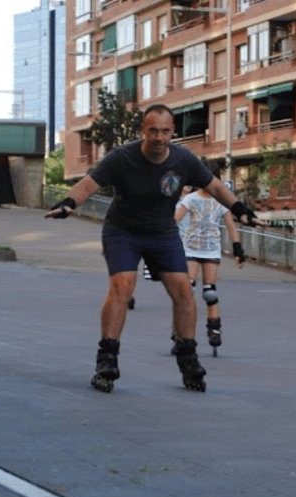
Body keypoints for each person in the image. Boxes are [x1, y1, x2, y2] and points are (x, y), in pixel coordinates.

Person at [45, 104, 265, 393]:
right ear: (143, 131)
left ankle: (187, 357)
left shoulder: (184, 159)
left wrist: (240, 209)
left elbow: (215, 187)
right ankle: (107, 358)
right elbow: (88, 185)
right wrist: (67, 204)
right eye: (153, 131)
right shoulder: (121, 158)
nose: (159, 138)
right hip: (122, 231)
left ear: (172, 132)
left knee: (184, 292)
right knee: (122, 287)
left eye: (165, 131)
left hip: (162, 233)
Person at [174, 164, 246, 354]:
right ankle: (180, 332)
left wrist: (238, 249)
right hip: (190, 247)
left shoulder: (222, 202)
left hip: (211, 249)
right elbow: (175, 220)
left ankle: (214, 328)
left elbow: (231, 227)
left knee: (210, 293)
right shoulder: (190, 198)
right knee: (187, 290)